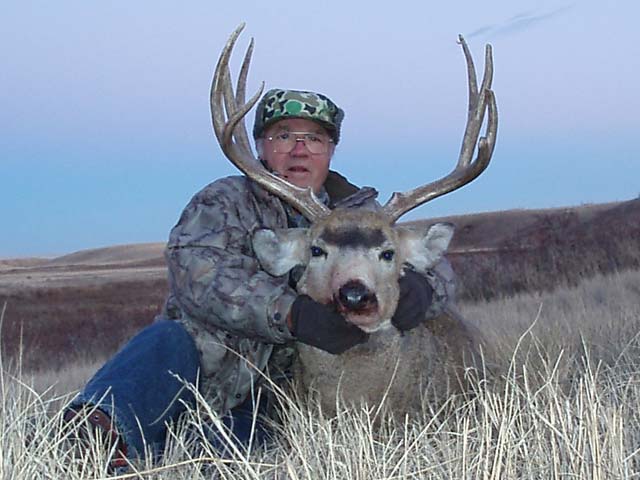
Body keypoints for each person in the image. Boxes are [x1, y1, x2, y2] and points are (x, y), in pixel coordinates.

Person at [64, 89, 455, 470]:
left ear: (331, 149)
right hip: (201, 368)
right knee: (166, 340)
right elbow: (199, 274)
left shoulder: (364, 216)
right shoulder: (224, 201)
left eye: (314, 139)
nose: (299, 150)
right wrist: (290, 314)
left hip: (275, 394)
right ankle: (92, 435)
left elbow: (435, 265)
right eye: (284, 136)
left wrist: (423, 288)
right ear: (260, 146)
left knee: (217, 455)